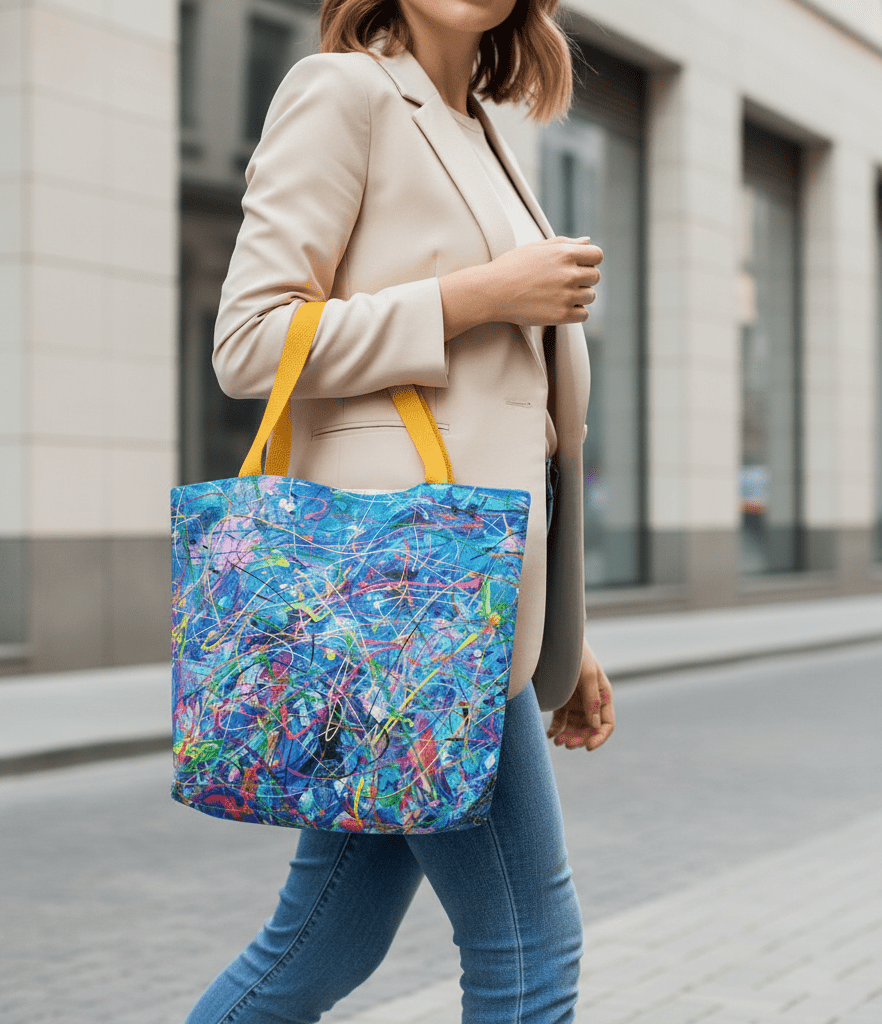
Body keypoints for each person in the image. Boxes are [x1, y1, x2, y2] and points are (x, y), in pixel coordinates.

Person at [186, 2, 615, 1021]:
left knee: (321, 941)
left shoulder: (479, 128)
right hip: (406, 596)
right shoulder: (343, 90)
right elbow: (250, 340)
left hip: (465, 596)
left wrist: (562, 631)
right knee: (526, 942)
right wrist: (478, 295)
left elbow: (525, 423)